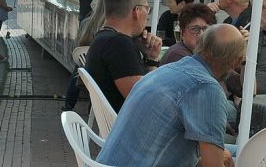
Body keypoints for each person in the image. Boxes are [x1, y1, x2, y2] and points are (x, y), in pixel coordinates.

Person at [98, 24, 244, 167]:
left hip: (108, 162)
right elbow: (212, 164)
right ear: (237, 61)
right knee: (251, 155)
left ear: (199, 44)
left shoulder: (168, 69)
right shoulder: (206, 87)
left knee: (242, 151)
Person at [84, 0, 163, 112]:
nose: (147, 16)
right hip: (129, 127)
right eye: (147, 9)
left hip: (114, 123)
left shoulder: (103, 38)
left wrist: (150, 57)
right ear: (136, 11)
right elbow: (145, 102)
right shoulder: (118, 44)